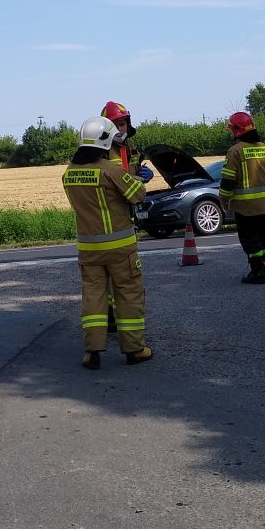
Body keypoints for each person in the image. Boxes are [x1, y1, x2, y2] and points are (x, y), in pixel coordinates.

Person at [62, 116, 153, 370]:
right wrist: (139, 179)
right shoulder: (110, 170)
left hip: (88, 249)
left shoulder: (69, 173)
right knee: (128, 295)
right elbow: (138, 195)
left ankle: (92, 352)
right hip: (120, 247)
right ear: (104, 141)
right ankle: (135, 350)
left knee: (93, 298)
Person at [99, 100, 154, 330]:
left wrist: (142, 171)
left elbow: (133, 173)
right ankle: (113, 316)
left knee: (126, 271)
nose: (120, 129)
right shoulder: (101, 151)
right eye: (116, 124)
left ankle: (119, 314)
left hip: (128, 214)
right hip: (110, 215)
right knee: (114, 273)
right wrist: (138, 179)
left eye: (123, 124)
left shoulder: (130, 149)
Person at [218, 111, 265, 283]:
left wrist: (224, 200)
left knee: (250, 242)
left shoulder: (235, 151)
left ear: (237, 130)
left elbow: (228, 181)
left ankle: (257, 272)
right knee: (262, 240)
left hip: (245, 208)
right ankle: (263, 269)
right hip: (264, 206)